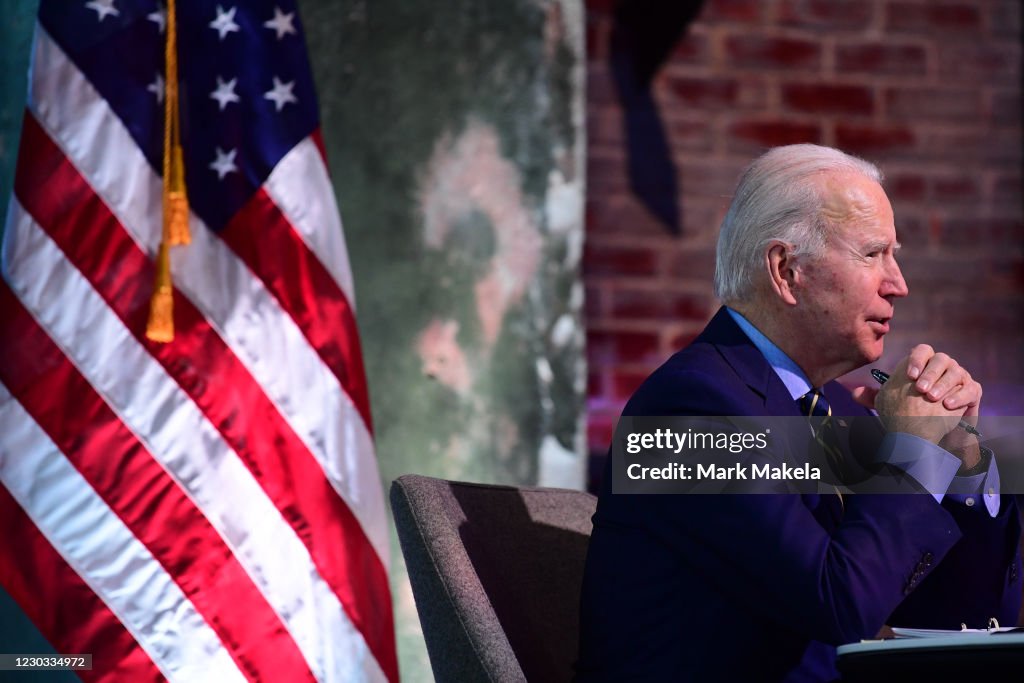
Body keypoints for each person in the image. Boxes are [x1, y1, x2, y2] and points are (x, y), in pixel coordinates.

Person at [575, 144, 1022, 682]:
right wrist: (911, 454)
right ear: (786, 270)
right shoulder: (689, 410)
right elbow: (840, 606)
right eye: (873, 253)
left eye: (894, 254)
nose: (898, 284)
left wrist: (958, 459)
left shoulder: (837, 409)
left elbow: (957, 615)